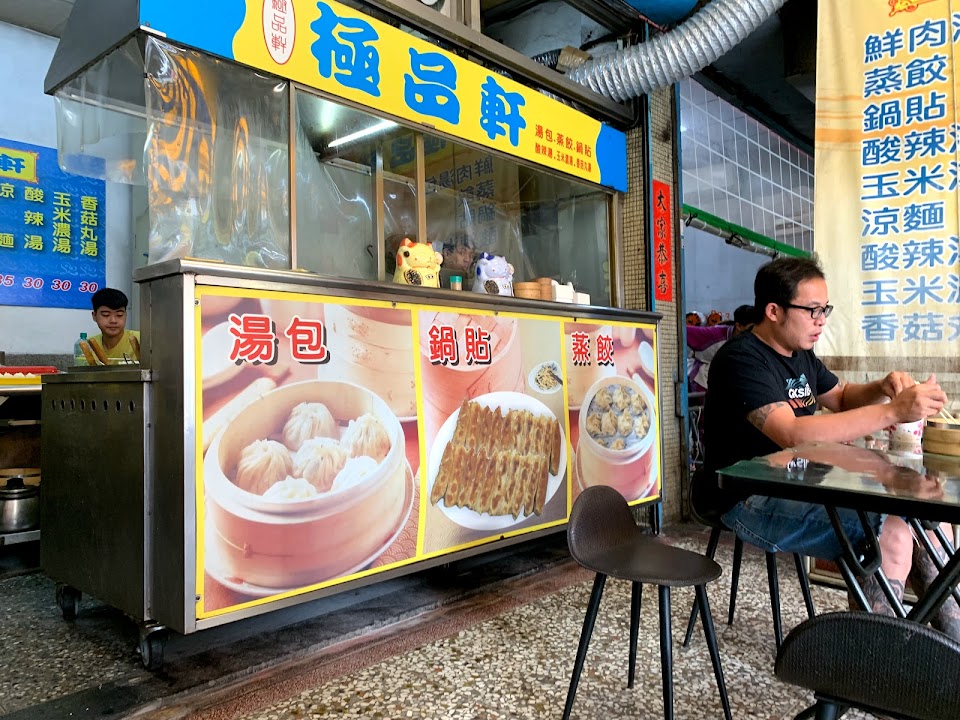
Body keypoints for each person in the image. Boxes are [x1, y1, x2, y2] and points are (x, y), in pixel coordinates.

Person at [692, 256, 959, 638]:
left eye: (825, 310)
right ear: (773, 311)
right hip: (745, 497)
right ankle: (875, 662)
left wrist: (882, 387)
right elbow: (793, 434)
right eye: (812, 310)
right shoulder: (741, 359)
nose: (821, 320)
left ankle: (949, 648)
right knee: (893, 535)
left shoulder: (800, 353)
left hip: (799, 484)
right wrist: (893, 411)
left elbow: (842, 396)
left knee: (930, 524)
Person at [82, 288, 140, 363]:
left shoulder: (142, 340)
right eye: (106, 315)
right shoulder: (89, 346)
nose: (113, 321)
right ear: (94, 316)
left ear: (125, 315)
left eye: (119, 315)